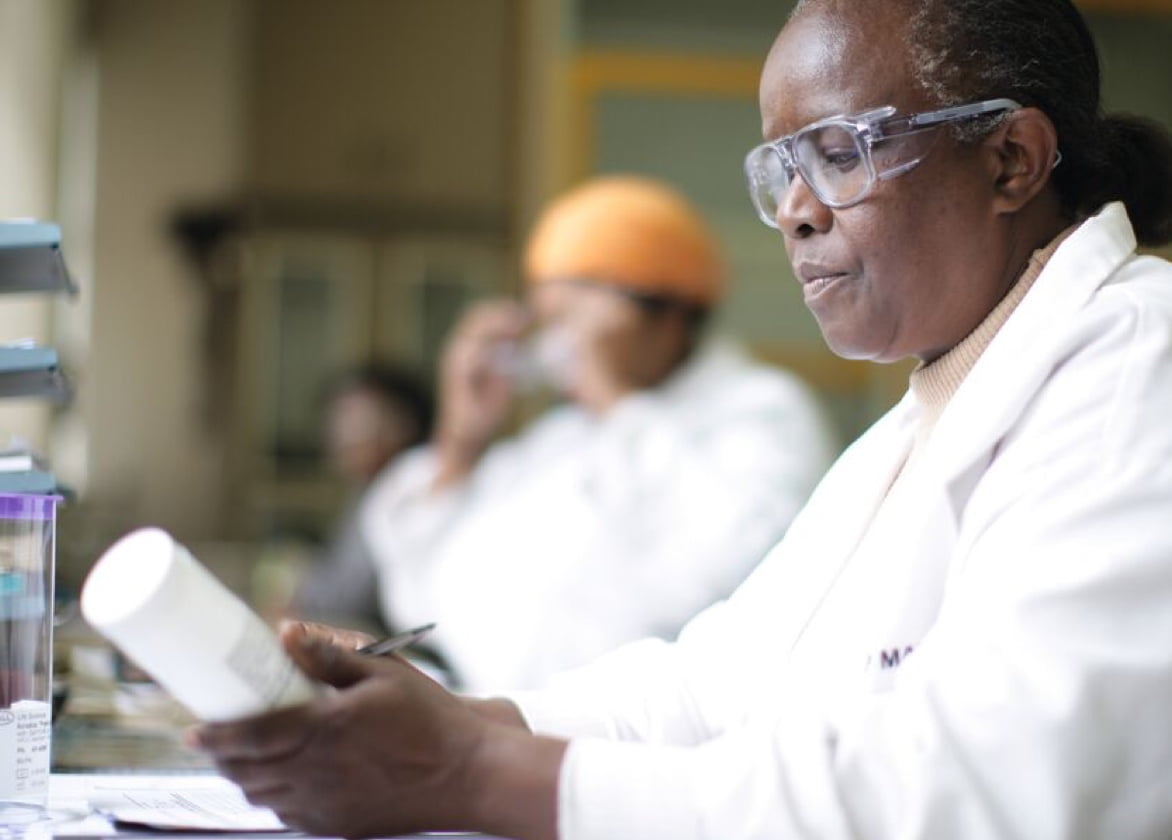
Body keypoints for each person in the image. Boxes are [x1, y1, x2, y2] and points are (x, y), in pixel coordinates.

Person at [193, 0, 1172, 838]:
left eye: (837, 154)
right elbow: (711, 687)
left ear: (1010, 161)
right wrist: (458, 719)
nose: (794, 211)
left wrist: (465, 771)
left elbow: (984, 791)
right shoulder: (927, 409)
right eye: (782, 168)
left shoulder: (1135, 363)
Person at [358, 175, 836, 691]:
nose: (561, 344)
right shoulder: (565, 435)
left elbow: (727, 573)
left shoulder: (763, 411)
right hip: (497, 723)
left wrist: (613, 397)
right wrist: (460, 443)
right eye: (549, 321)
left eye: (574, 318)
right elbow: (418, 586)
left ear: (668, 315)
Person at [289, 362, 433, 634]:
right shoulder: (368, 491)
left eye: (356, 420)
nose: (339, 435)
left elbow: (346, 600)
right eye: (336, 420)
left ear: (402, 424)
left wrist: (296, 606)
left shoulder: (405, 489)